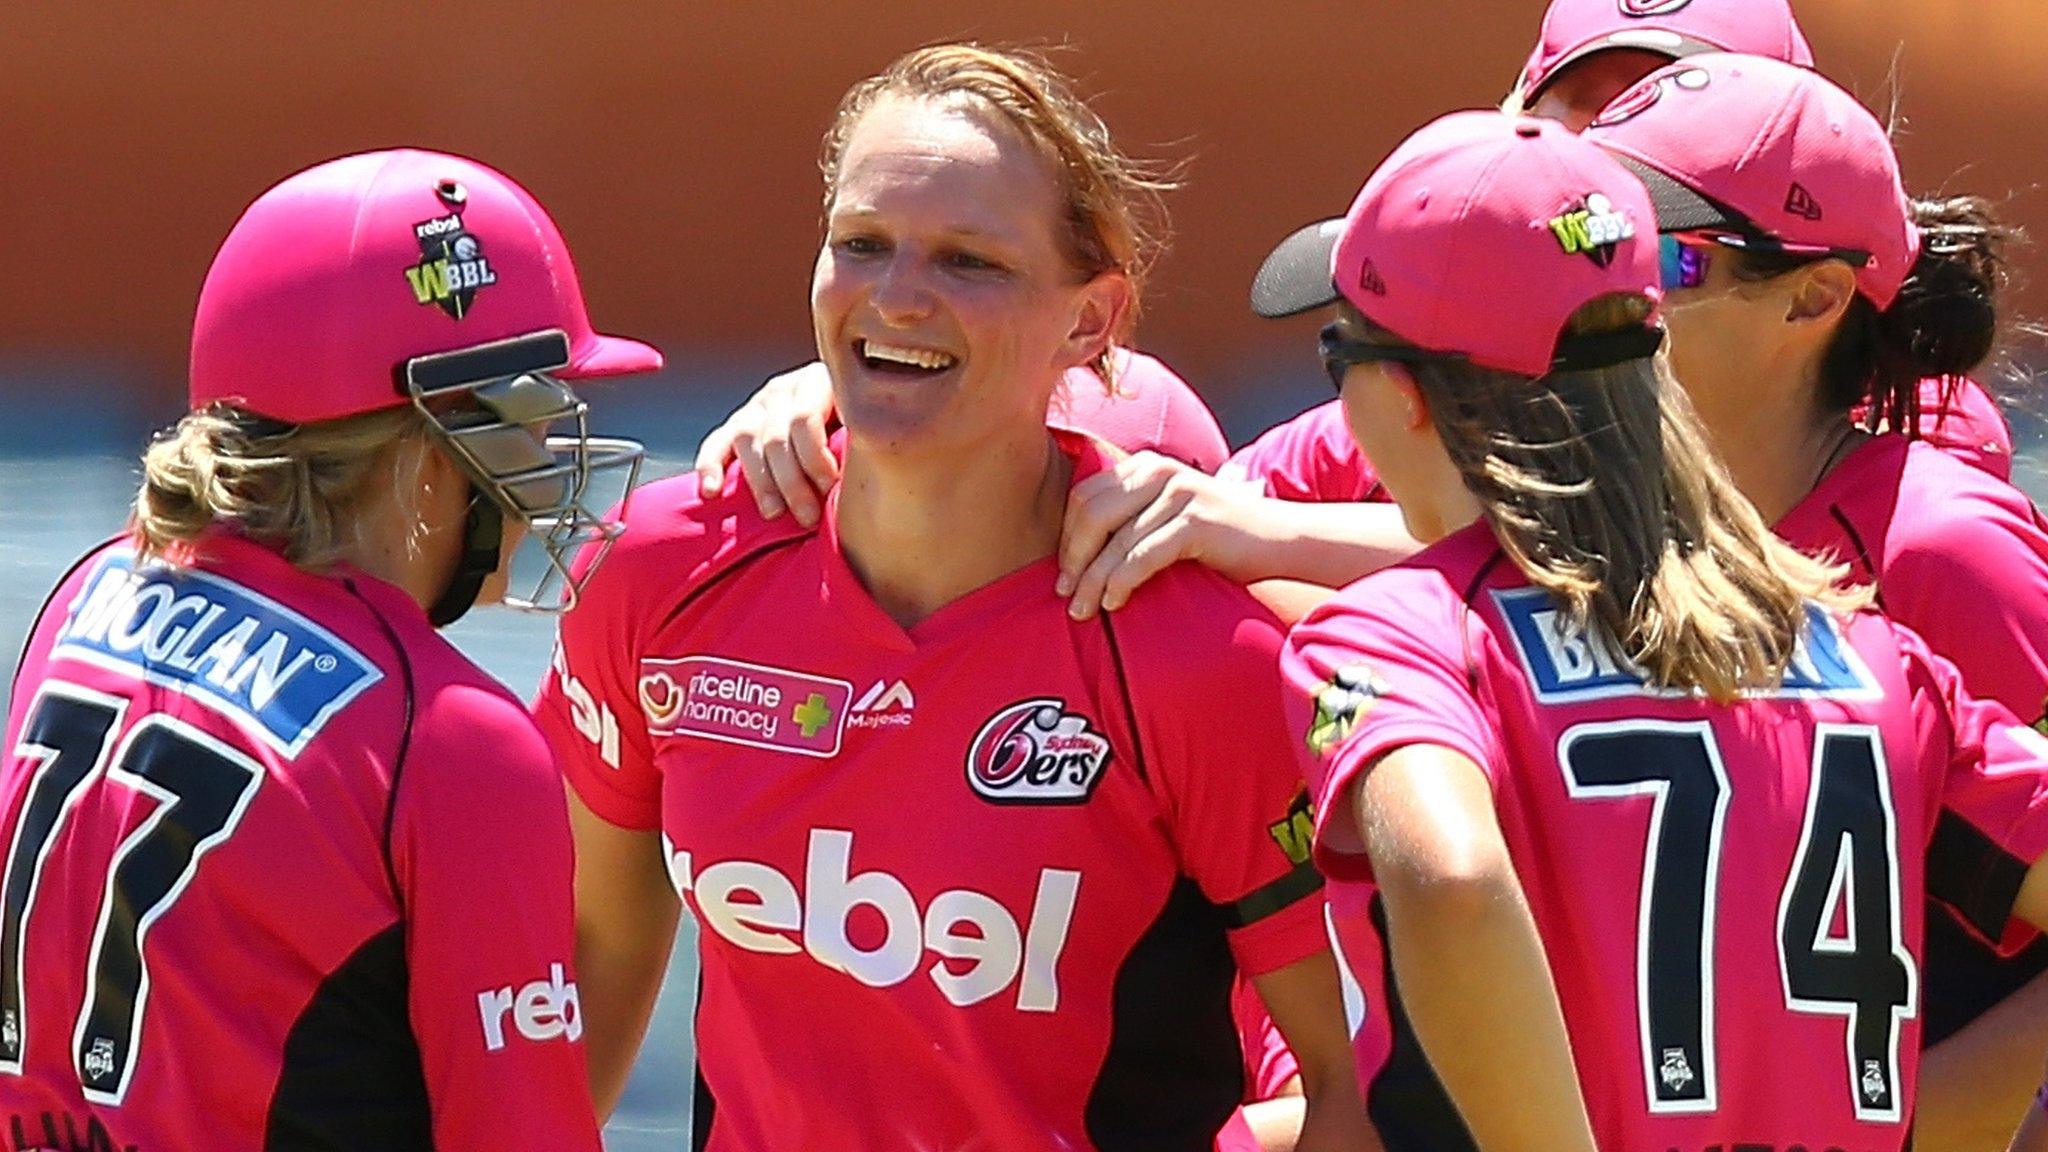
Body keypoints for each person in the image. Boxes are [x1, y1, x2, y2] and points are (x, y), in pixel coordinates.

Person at [534, 44, 1369, 1152]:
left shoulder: (1195, 658)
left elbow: (1357, 1087)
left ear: (1089, 322)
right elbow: (588, 958)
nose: (896, 297)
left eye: (968, 262)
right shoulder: (660, 570)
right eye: (861, 245)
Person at [1262, 106, 2048, 1152]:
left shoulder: (1398, 638)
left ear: (1399, 394)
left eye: (1336, 352)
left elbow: (1448, 881)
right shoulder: (1865, 648)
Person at [0, 149, 655, 1148]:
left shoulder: (90, 587)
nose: (541, 469)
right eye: (520, 419)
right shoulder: (449, 735)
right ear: (423, 445)